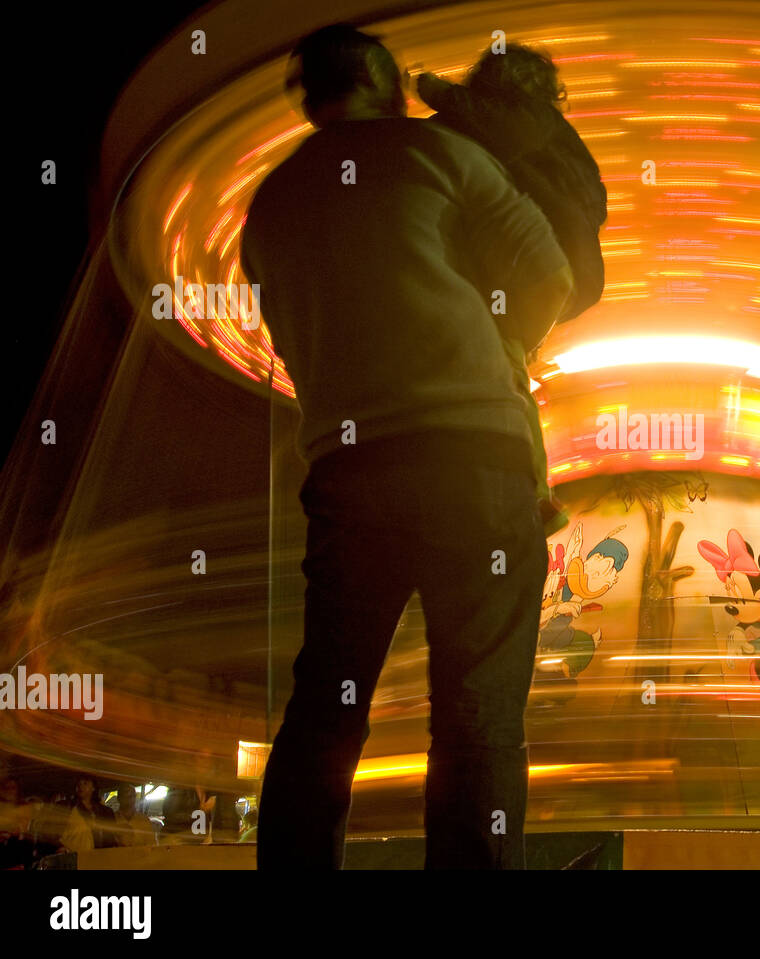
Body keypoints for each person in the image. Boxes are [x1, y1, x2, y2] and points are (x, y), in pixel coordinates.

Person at [241, 24, 573, 869]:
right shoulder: (439, 154)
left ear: (309, 98)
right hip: (476, 460)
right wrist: (505, 348)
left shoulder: (269, 205)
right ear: (386, 79)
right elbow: (549, 270)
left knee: (325, 709)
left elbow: (288, 337)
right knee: (478, 712)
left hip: (350, 477)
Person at [417, 43, 607, 536]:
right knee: (510, 373)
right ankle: (529, 494)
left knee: (503, 370)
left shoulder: (517, 122)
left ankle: (525, 495)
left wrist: (431, 90)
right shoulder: (556, 137)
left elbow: (492, 129)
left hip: (527, 269)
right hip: (556, 272)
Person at [58, 776, 118, 853]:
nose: (80, 786)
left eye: (85, 783)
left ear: (93, 788)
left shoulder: (105, 812)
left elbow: (110, 837)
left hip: (99, 857)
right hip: (74, 856)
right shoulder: (67, 808)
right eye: (78, 784)